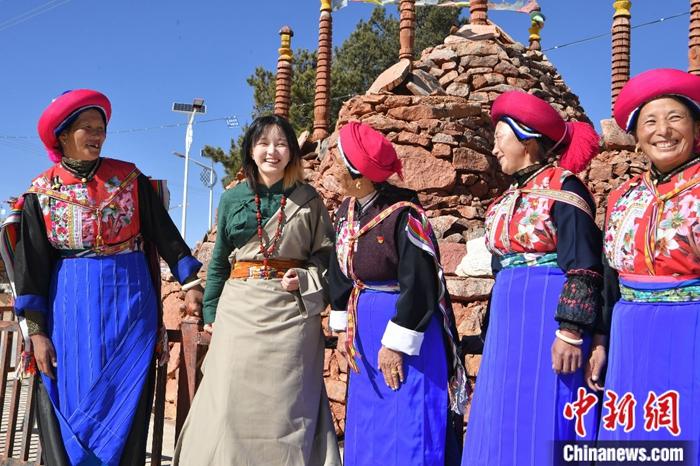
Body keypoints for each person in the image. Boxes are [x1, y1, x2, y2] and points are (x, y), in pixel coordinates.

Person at [13, 89, 203, 465]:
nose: (97, 135)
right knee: (70, 396)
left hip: (131, 311)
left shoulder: (129, 179)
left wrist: (191, 282)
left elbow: (165, 233)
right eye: (87, 127)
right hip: (70, 315)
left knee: (125, 398)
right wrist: (36, 333)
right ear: (62, 135)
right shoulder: (40, 193)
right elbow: (31, 268)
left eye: (101, 128)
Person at [173, 115, 341, 466]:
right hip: (239, 313)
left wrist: (304, 277)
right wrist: (210, 312)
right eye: (263, 143)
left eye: (281, 144)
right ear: (251, 151)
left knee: (288, 406)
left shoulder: (308, 200)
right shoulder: (232, 199)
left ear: (292, 152)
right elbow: (219, 262)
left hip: (291, 317)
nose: (272, 151)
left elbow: (327, 256)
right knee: (228, 404)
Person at [461, 91, 603, 466]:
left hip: (548, 321)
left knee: (543, 408)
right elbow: (500, 268)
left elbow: (585, 264)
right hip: (508, 324)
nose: (494, 149)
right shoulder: (508, 197)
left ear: (526, 139)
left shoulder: (565, 188)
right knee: (502, 411)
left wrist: (570, 331)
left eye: (499, 138)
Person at [327, 121, 467, 466]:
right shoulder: (346, 212)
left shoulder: (404, 214)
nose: (331, 167)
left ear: (359, 176)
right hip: (364, 330)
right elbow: (340, 272)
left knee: (406, 420)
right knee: (370, 421)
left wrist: (395, 345)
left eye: (338, 161)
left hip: (405, 331)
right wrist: (343, 329)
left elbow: (420, 283)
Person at [591, 68, 700, 458]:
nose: (663, 131)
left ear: (696, 129)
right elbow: (609, 276)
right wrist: (600, 340)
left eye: (675, 118)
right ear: (637, 138)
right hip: (631, 334)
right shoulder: (624, 197)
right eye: (650, 122)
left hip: (691, 331)